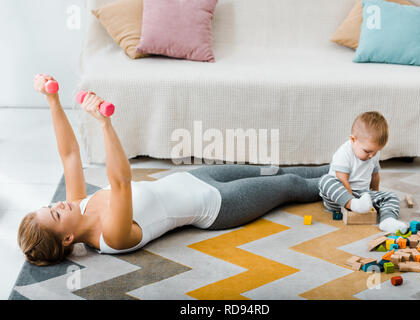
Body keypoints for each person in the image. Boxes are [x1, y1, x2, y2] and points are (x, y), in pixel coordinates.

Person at [17, 75, 330, 266]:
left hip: (196, 177)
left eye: (49, 206)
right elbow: (121, 183)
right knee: (290, 184)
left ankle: (345, 164)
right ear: (69, 238)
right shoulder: (110, 237)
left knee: (272, 170)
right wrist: (104, 123)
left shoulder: (79, 203)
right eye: (56, 214)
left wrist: (52, 98)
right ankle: (352, 183)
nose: (58, 204)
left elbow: (69, 156)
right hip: (218, 205)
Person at [318, 111, 408, 234]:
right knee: (325, 180)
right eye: (367, 151)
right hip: (340, 197)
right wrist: (352, 203)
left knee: (391, 197)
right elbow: (342, 180)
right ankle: (355, 204)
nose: (372, 156)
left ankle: (387, 220)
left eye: (375, 152)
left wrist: (376, 194)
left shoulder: (373, 153)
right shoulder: (344, 153)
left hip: (363, 195)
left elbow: (375, 175)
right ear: (353, 139)